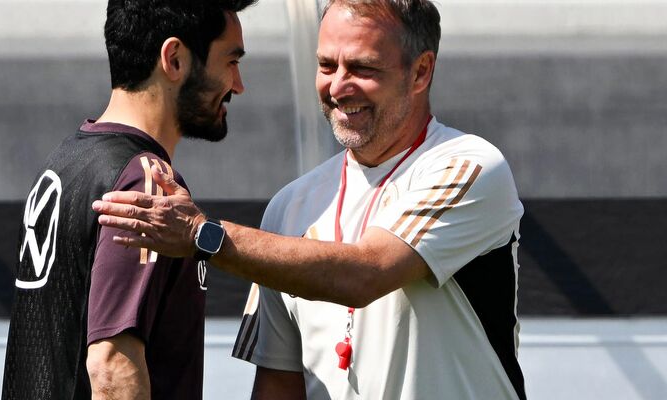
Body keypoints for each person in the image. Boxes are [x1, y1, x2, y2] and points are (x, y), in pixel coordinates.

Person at [92, 0, 526, 398]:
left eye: (362, 67)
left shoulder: (469, 166)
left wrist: (203, 235)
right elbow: (279, 383)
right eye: (325, 65)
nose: (338, 87)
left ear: (420, 72)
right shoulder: (288, 206)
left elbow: (367, 274)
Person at [1, 0, 256, 399]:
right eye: (231, 61)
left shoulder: (65, 162)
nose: (238, 84)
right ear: (174, 59)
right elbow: (111, 367)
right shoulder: (146, 181)